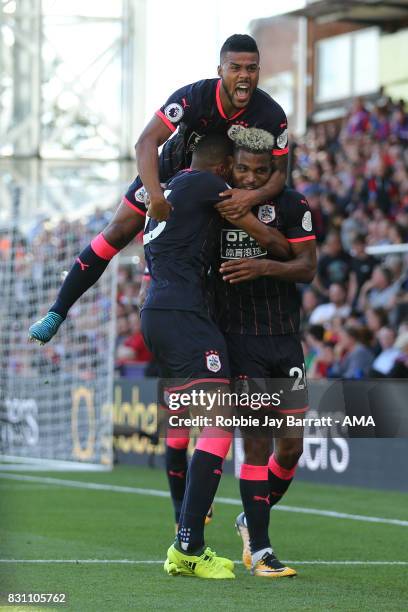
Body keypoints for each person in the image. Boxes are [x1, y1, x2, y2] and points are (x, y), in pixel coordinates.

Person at [29, 34, 289, 344]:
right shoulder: (192, 98)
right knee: (117, 231)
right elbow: (145, 142)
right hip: (169, 173)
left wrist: (253, 195)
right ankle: (57, 311)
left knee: (229, 249)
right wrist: (155, 195)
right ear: (220, 70)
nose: (244, 76)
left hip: (226, 184)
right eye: (236, 68)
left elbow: (279, 175)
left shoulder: (271, 115)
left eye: (252, 69)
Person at [211, 128, 316, 578]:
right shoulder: (213, 209)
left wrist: (262, 266)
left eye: (261, 171)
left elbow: (307, 268)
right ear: (229, 168)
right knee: (255, 443)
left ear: (273, 172)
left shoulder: (294, 206)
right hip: (241, 341)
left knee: (291, 446)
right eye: (243, 169)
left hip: (286, 340)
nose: (251, 179)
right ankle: (261, 549)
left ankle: (250, 518)